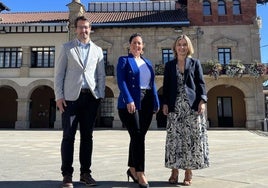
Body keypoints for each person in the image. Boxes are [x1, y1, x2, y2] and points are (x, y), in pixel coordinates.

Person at [54, 16, 105, 188]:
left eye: (86, 27)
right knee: (68, 136)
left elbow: (101, 76)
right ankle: (67, 175)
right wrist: (59, 97)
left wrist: (100, 96)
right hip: (70, 99)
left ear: (90, 29)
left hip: (90, 98)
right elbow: (59, 74)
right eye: (81, 27)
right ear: (75, 29)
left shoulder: (97, 50)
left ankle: (85, 173)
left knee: (87, 137)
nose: (84, 30)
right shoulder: (67, 48)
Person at [162, 35, 209, 186]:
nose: (182, 47)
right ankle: (174, 170)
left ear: (188, 47)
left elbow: (201, 83)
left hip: (192, 106)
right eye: (179, 45)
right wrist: (165, 103)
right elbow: (166, 86)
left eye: (184, 45)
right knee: (174, 139)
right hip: (175, 106)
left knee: (191, 140)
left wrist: (202, 101)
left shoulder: (195, 63)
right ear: (175, 48)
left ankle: (188, 171)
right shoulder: (169, 65)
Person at [116, 33, 160, 188]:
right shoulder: (124, 60)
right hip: (131, 102)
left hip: (147, 101)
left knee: (138, 137)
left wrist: (156, 101)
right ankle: (140, 172)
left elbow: (152, 83)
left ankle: (132, 168)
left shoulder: (147, 62)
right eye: (134, 43)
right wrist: (128, 99)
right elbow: (121, 82)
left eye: (139, 43)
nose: (137, 46)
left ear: (143, 47)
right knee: (137, 135)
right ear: (129, 45)